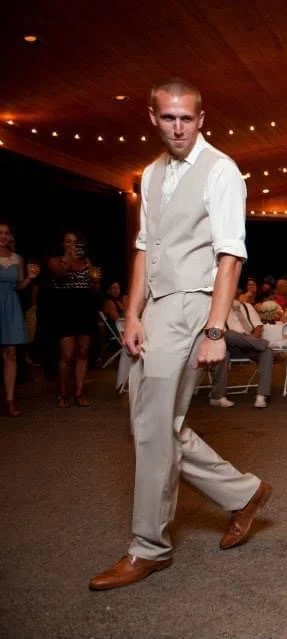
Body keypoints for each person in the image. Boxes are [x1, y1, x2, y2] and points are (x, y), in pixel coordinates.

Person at [89, 78, 271, 591]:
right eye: (168, 118)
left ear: (201, 119)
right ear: (153, 118)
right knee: (153, 425)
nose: (178, 128)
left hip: (193, 304)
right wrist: (132, 314)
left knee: (151, 429)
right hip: (156, 308)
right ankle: (243, 492)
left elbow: (230, 256)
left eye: (186, 118)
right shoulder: (149, 174)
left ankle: (149, 547)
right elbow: (144, 248)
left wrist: (215, 329)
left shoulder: (221, 170)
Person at [48, 231, 100, 407]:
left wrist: (95, 282)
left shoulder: (87, 262)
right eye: (69, 242)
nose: (73, 245)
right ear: (63, 244)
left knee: (83, 353)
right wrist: (70, 259)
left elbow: (94, 289)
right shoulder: (55, 261)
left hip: (85, 309)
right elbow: (61, 276)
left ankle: (79, 393)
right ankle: (62, 394)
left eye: (76, 242)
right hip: (65, 310)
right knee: (68, 355)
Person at [208, 293, 274, 408]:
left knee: (266, 352)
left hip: (248, 343)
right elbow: (212, 332)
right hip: (226, 345)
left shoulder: (247, 306)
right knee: (229, 335)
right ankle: (217, 397)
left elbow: (258, 327)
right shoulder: (213, 308)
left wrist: (250, 340)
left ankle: (261, 395)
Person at [0, 222, 39, 416]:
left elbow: (19, 286)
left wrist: (30, 277)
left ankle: (10, 400)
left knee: (12, 353)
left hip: (11, 305)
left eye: (6, 233)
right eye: (0, 233)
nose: (3, 236)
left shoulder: (17, 258)